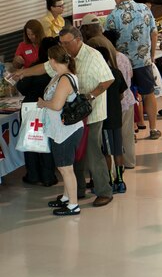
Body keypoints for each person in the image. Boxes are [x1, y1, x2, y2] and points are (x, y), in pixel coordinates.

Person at [15, 26, 115, 207]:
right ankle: (76, 192)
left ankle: (104, 191)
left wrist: (90, 96)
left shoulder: (93, 56)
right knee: (74, 157)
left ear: (78, 40)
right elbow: (44, 68)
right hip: (70, 118)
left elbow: (108, 79)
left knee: (92, 153)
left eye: (67, 43)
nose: (64, 46)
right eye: (62, 43)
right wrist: (23, 72)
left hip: (91, 113)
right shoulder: (64, 58)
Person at [105, 0, 161, 140]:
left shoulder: (112, 16)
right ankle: (154, 129)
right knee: (148, 94)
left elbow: (109, 43)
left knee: (127, 98)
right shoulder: (144, 8)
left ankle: (130, 133)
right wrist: (150, 56)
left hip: (123, 65)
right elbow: (154, 32)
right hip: (143, 62)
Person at [38, 46, 85, 216]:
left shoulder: (64, 79)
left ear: (52, 60)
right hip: (62, 130)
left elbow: (57, 105)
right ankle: (66, 197)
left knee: (66, 168)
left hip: (66, 130)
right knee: (65, 166)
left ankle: (73, 205)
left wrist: (43, 103)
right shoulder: (60, 76)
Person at [15, 36, 59, 188]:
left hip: (30, 107)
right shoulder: (58, 69)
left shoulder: (34, 67)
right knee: (46, 141)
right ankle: (48, 177)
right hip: (49, 107)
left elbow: (22, 87)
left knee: (30, 141)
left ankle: (32, 175)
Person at [95, 46, 128, 193]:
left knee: (107, 152)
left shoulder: (98, 76)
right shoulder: (116, 73)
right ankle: (120, 181)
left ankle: (109, 180)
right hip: (117, 117)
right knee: (118, 150)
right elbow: (121, 95)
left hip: (105, 119)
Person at [104, 29, 138, 170]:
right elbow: (130, 75)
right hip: (128, 100)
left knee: (114, 139)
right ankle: (130, 162)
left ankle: (117, 166)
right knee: (128, 135)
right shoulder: (123, 57)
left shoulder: (107, 61)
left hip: (114, 104)